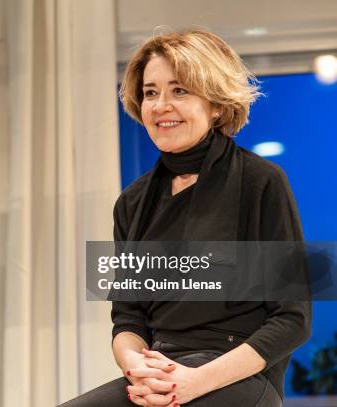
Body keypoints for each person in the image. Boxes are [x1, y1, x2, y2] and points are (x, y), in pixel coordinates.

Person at [60, 30, 311, 406]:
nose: (161, 105)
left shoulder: (262, 182)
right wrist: (138, 370)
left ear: (216, 104)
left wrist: (193, 383)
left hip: (240, 376)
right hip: (161, 369)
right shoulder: (131, 202)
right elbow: (128, 319)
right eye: (150, 92)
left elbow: (292, 320)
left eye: (179, 91)